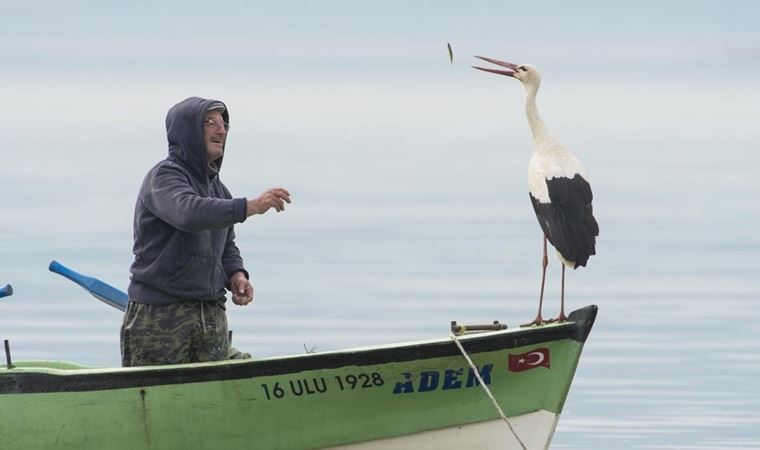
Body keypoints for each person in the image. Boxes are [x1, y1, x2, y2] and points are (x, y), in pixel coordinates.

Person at [121, 96, 291, 367]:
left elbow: (226, 245)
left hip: (211, 316)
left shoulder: (219, 190)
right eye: (209, 123)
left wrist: (236, 274)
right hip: (162, 317)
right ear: (187, 132)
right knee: (164, 401)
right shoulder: (164, 178)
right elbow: (188, 213)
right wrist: (252, 206)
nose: (221, 130)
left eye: (223, 124)